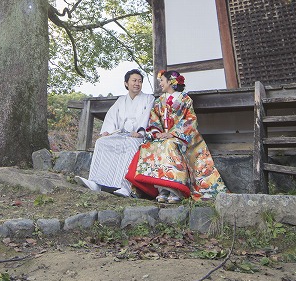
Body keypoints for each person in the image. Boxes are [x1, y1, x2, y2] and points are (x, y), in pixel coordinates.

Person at [125, 70, 228, 203]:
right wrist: (157, 133)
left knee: (169, 145)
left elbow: (190, 121)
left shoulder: (185, 99)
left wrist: (172, 133)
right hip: (163, 136)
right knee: (148, 146)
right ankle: (161, 189)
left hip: (183, 137)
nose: (160, 83)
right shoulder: (159, 101)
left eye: (162, 80)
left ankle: (176, 190)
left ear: (171, 82)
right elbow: (154, 120)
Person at [75, 69, 154, 197]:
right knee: (101, 142)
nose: (137, 83)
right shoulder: (121, 100)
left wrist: (140, 131)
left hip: (137, 136)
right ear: (126, 83)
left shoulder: (148, 99)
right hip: (121, 134)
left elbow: (147, 116)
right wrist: (108, 131)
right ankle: (96, 182)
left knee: (131, 145)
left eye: (140, 81)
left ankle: (125, 187)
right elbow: (112, 117)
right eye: (134, 80)